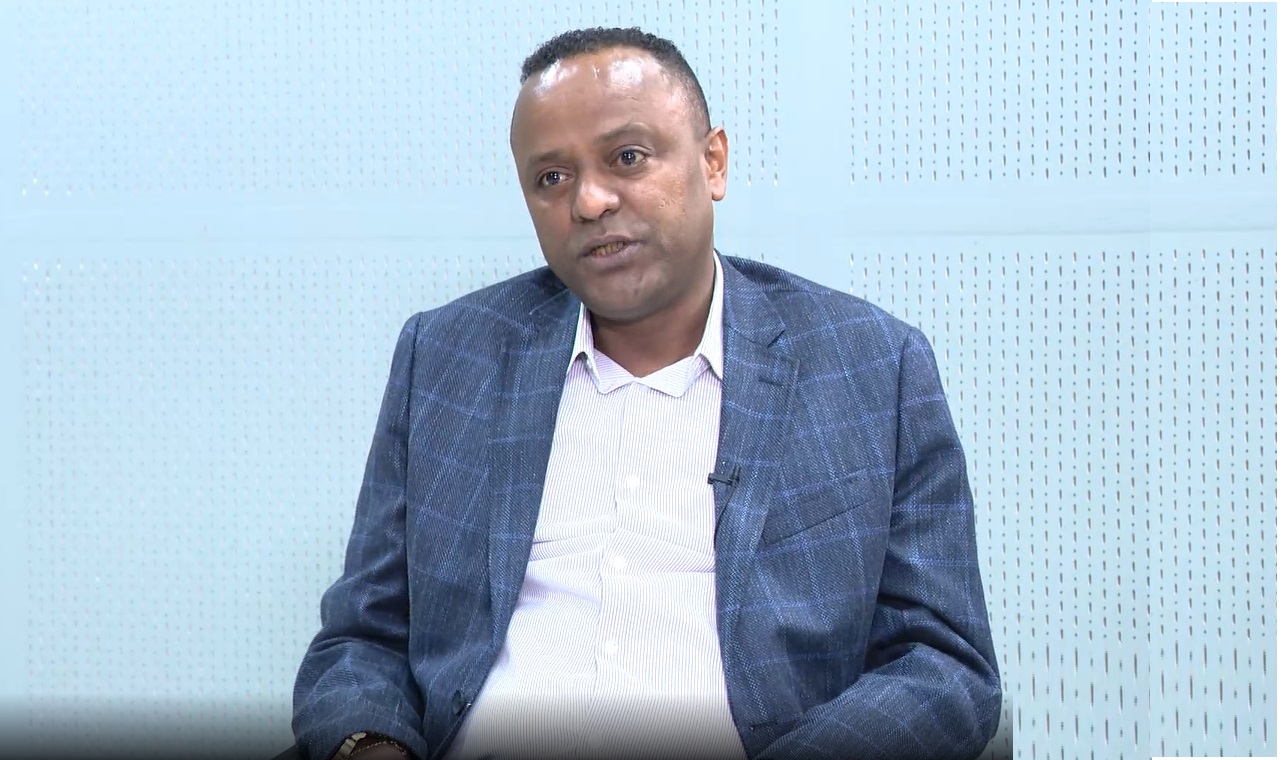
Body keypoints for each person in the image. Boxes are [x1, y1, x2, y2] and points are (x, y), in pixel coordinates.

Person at [291, 26, 1001, 760]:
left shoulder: (869, 364)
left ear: (713, 161)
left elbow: (944, 666)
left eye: (626, 158)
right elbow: (364, 637)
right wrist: (370, 744)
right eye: (551, 178)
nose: (590, 201)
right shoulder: (446, 356)